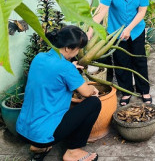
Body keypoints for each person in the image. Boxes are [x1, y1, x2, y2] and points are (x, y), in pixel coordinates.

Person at [16, 26, 101, 161]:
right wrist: (92, 90)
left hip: (23, 130)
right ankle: (73, 152)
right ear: (68, 48)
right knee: (94, 103)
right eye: (78, 48)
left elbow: (52, 74)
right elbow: (86, 92)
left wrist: (70, 68)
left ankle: (38, 147)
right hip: (44, 136)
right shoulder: (65, 68)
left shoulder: (39, 57)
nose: (78, 52)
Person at [90, 0, 151, 106]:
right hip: (116, 31)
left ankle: (144, 90)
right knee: (121, 62)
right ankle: (126, 92)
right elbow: (102, 9)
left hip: (136, 30)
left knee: (139, 60)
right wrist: (90, 30)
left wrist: (129, 29)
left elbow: (142, 11)